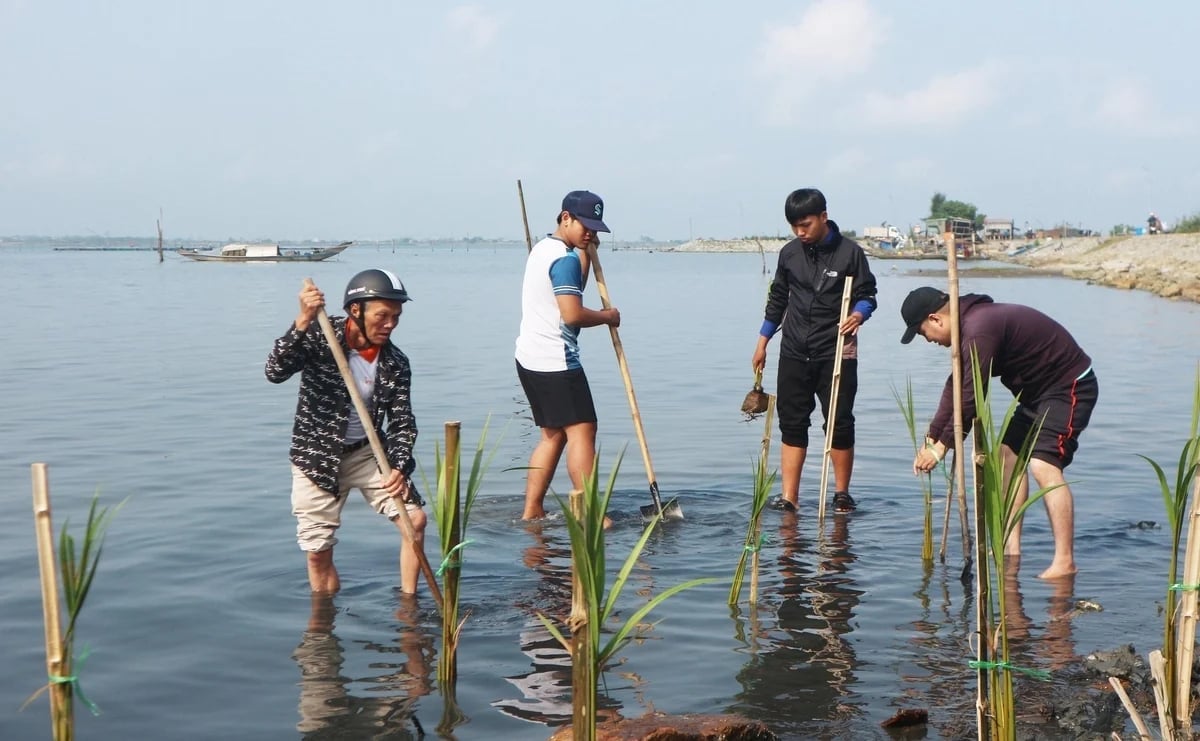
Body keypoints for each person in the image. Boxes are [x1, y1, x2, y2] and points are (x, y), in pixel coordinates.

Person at [900, 287, 1099, 579]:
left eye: (922, 333)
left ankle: (1064, 561)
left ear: (935, 319)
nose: (928, 340)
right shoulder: (970, 327)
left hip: (1068, 386)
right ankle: (1010, 547)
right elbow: (955, 385)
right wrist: (933, 435)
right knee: (1006, 458)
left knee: (1044, 465)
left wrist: (942, 447)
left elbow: (972, 394)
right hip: (1036, 395)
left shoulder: (979, 329)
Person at [265, 269, 427, 594]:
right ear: (356, 310)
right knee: (318, 552)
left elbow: (402, 423)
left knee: (415, 521)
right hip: (316, 459)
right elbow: (275, 371)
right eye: (382, 316)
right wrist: (303, 319)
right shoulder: (319, 336)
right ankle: (323, 628)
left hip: (368, 454)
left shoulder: (395, 362)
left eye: (396, 316)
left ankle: (408, 606)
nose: (390, 324)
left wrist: (398, 466)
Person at [752, 188, 878, 514]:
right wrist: (763, 341)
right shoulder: (790, 254)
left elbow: (868, 295)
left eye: (805, 224)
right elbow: (778, 299)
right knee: (792, 422)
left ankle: (841, 494)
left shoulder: (850, 254)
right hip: (794, 349)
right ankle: (789, 498)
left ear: (824, 216)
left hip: (836, 350)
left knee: (839, 422)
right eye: (794, 226)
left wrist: (859, 314)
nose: (800, 232)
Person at [515, 190, 620, 520]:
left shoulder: (544, 250)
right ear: (565, 218)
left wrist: (586, 252)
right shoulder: (564, 259)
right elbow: (572, 314)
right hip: (556, 360)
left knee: (553, 434)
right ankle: (592, 513)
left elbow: (572, 289)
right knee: (583, 430)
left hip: (529, 357)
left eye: (594, 229)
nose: (589, 233)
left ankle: (532, 511)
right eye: (584, 226)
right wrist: (608, 318)